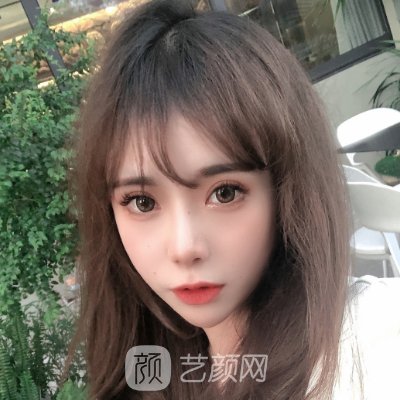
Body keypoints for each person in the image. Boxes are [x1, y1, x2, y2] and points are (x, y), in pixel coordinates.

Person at [68, 1, 400, 399]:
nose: (184, 247)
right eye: (142, 202)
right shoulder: (154, 367)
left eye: (225, 193)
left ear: (286, 190)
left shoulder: (372, 338)